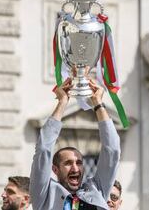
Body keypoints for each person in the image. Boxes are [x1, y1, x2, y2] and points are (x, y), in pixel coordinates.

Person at [30, 78, 121, 210]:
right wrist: (62, 102)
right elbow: (43, 149)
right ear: (55, 169)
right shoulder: (45, 193)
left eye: (79, 162)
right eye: (68, 163)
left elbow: (112, 150)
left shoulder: (96, 190)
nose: (75, 168)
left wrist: (98, 103)